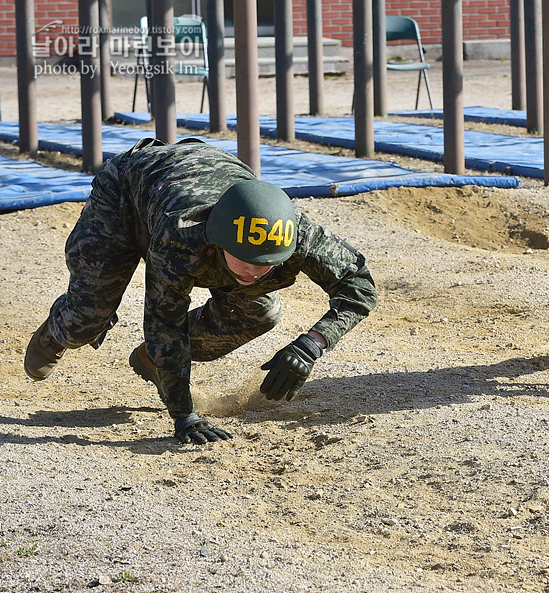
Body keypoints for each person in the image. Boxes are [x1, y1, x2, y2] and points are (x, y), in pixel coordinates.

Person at [24, 138, 378, 444]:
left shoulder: (297, 234)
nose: (254, 271)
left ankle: (152, 359)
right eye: (244, 259)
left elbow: (359, 285)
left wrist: (313, 343)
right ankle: (56, 332)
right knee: (87, 318)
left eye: (266, 262)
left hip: (205, 182)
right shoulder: (182, 236)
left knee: (260, 312)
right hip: (126, 193)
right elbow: (165, 320)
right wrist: (184, 416)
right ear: (220, 243)